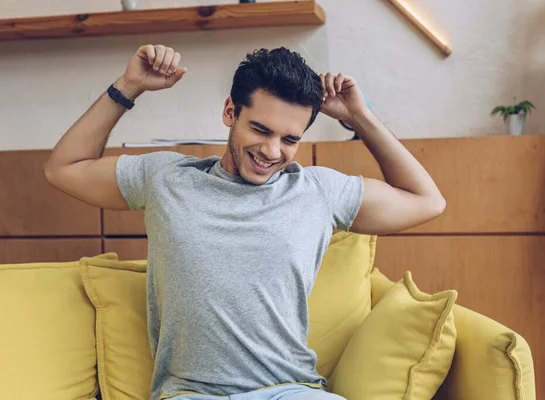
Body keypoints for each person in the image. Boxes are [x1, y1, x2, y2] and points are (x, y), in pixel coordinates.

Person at [44, 44, 445, 400]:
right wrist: (128, 86)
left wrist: (359, 116)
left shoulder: (317, 191)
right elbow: (63, 169)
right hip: (191, 393)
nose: (272, 151)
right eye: (260, 129)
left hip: (291, 390)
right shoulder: (166, 178)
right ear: (230, 112)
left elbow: (427, 201)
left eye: (289, 139)